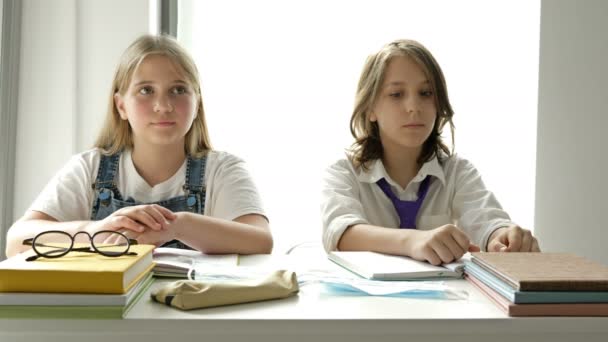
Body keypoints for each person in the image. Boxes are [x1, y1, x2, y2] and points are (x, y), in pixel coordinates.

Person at [6, 34, 272, 258]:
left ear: (197, 103)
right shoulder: (88, 168)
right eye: (146, 90)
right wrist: (99, 229)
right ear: (121, 106)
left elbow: (261, 241)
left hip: (192, 316)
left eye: (178, 90)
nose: (163, 106)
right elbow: (16, 241)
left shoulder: (222, 170)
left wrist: (178, 226)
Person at [321, 39, 540, 265]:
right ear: (370, 109)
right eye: (396, 94)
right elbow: (342, 234)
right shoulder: (344, 172)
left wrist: (503, 236)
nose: (413, 106)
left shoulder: (457, 172)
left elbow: (487, 220)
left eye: (426, 93)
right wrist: (413, 241)